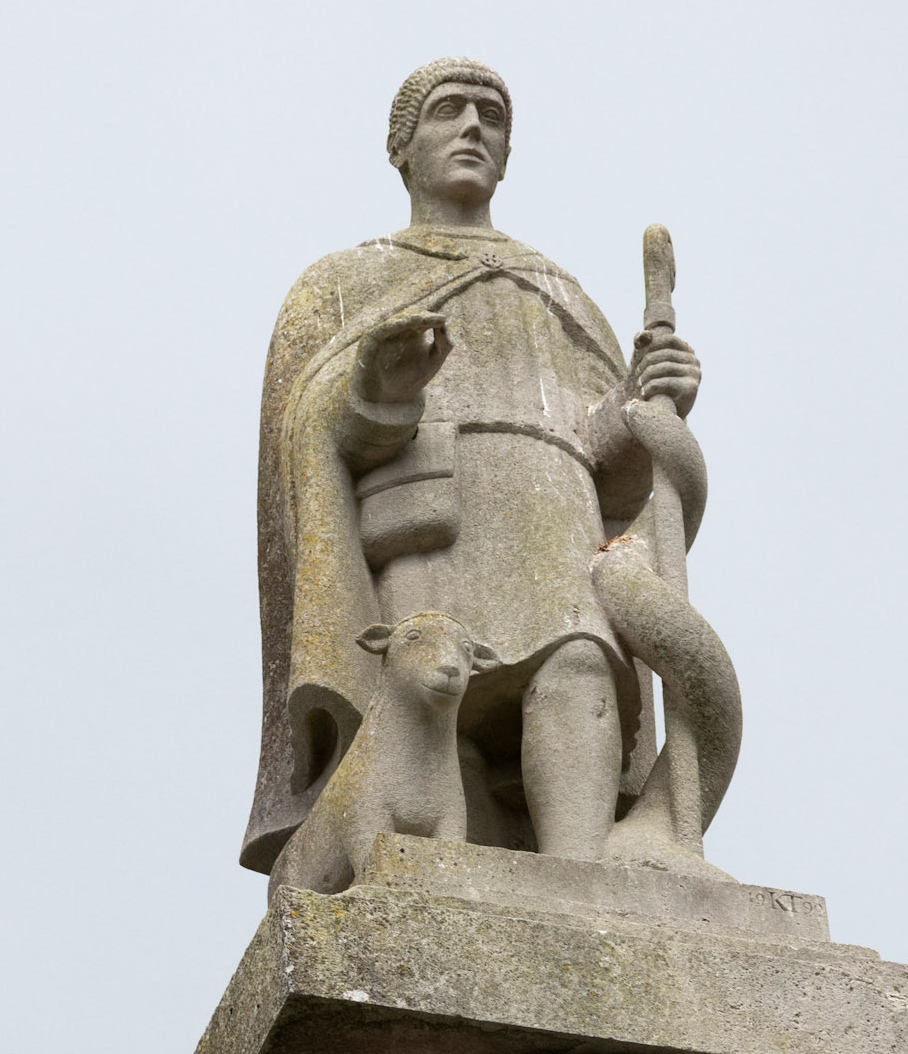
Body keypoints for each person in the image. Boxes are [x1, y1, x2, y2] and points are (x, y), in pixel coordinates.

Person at [241, 56, 707, 874]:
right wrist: (374, 394)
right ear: (402, 148)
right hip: (429, 526)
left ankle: (580, 878)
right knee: (431, 706)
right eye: (448, 112)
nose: (472, 129)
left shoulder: (555, 290)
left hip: (552, 522)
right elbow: (304, 441)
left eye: (491, 117)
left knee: (578, 663)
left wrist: (640, 404)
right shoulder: (346, 281)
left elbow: (608, 466)